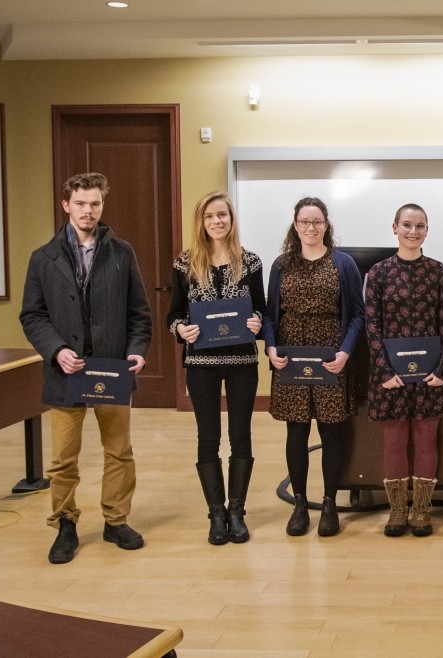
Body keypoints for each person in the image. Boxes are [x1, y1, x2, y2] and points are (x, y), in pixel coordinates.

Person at [19, 172, 152, 564]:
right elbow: (32, 315)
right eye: (80, 203)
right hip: (66, 371)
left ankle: (116, 521)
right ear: (66, 205)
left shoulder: (122, 253)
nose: (88, 210)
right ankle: (65, 524)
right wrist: (56, 350)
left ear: (102, 205)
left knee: (119, 452)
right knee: (63, 458)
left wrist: (137, 351)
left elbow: (139, 313)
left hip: (112, 369)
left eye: (95, 203)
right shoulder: (43, 258)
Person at [167, 191, 266, 546]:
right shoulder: (184, 264)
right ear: (201, 221)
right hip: (201, 365)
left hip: (242, 363)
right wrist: (181, 329)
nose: (216, 221)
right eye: (209, 216)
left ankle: (237, 510)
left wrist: (257, 321)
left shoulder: (250, 262)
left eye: (222, 215)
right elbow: (174, 315)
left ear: (231, 219)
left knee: (241, 435)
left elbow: (262, 309)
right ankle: (216, 514)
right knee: (208, 437)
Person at [264, 197, 365, 538]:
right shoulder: (281, 265)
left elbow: (357, 315)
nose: (311, 227)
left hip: (330, 359)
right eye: (305, 222)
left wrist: (345, 352)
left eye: (317, 221)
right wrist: (271, 348)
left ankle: (330, 503)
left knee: (330, 432)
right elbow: (270, 315)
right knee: (296, 432)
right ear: (295, 226)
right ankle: (300, 504)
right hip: (291, 357)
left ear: (326, 225)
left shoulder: (343, 263)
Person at [364, 204, 443, 537]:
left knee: (426, 441)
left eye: (420, 226)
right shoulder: (378, 273)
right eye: (407, 225)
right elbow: (372, 325)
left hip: (431, 375)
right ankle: (398, 510)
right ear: (395, 228)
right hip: (391, 377)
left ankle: (421, 510)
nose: (413, 232)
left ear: (427, 230)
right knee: (394, 443)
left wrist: (442, 369)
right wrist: (384, 371)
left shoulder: (440, 272)